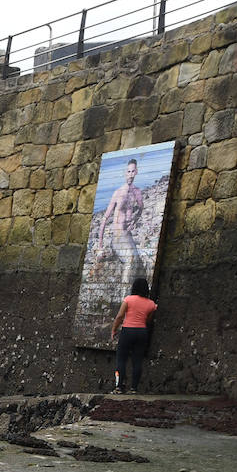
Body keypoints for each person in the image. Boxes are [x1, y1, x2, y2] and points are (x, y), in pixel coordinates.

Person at [96, 158, 145, 288]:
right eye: (128, 171)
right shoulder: (118, 193)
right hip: (117, 237)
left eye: (132, 171)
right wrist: (100, 247)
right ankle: (125, 299)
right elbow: (105, 219)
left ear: (136, 172)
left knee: (140, 264)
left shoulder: (137, 192)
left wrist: (134, 221)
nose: (130, 174)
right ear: (125, 173)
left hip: (127, 236)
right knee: (131, 260)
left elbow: (140, 208)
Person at [109, 276, 158, 393]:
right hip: (142, 332)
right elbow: (148, 320)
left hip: (127, 331)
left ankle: (119, 387)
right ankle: (134, 388)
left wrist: (113, 330)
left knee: (121, 359)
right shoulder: (152, 304)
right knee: (137, 361)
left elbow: (120, 316)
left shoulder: (128, 300)